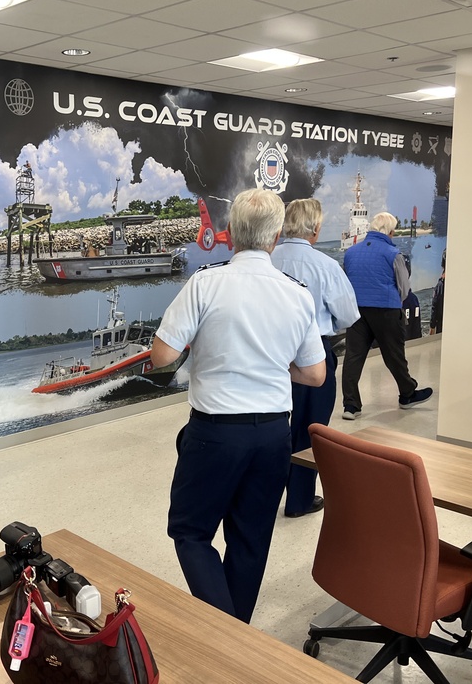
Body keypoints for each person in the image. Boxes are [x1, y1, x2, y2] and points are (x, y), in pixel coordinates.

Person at [150, 188, 326, 623]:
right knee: (250, 540)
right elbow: (315, 374)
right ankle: (235, 638)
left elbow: (162, 357)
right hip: (272, 435)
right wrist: (269, 362)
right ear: (276, 236)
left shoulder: (206, 283)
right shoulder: (296, 293)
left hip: (214, 434)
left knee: (191, 532)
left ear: (229, 233)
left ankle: (224, 641)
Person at [270, 198, 358, 519]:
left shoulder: (266, 260)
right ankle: (299, 500)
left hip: (269, 354)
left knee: (271, 425)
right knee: (310, 429)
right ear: (316, 229)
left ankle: (262, 496)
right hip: (313, 355)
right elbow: (348, 315)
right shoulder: (326, 266)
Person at [341, 212, 432, 420]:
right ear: (390, 232)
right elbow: (404, 288)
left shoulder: (351, 253)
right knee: (394, 355)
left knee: (353, 357)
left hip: (357, 311)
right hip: (386, 310)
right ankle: (407, 394)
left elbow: (346, 281)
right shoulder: (393, 253)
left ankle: (351, 406)